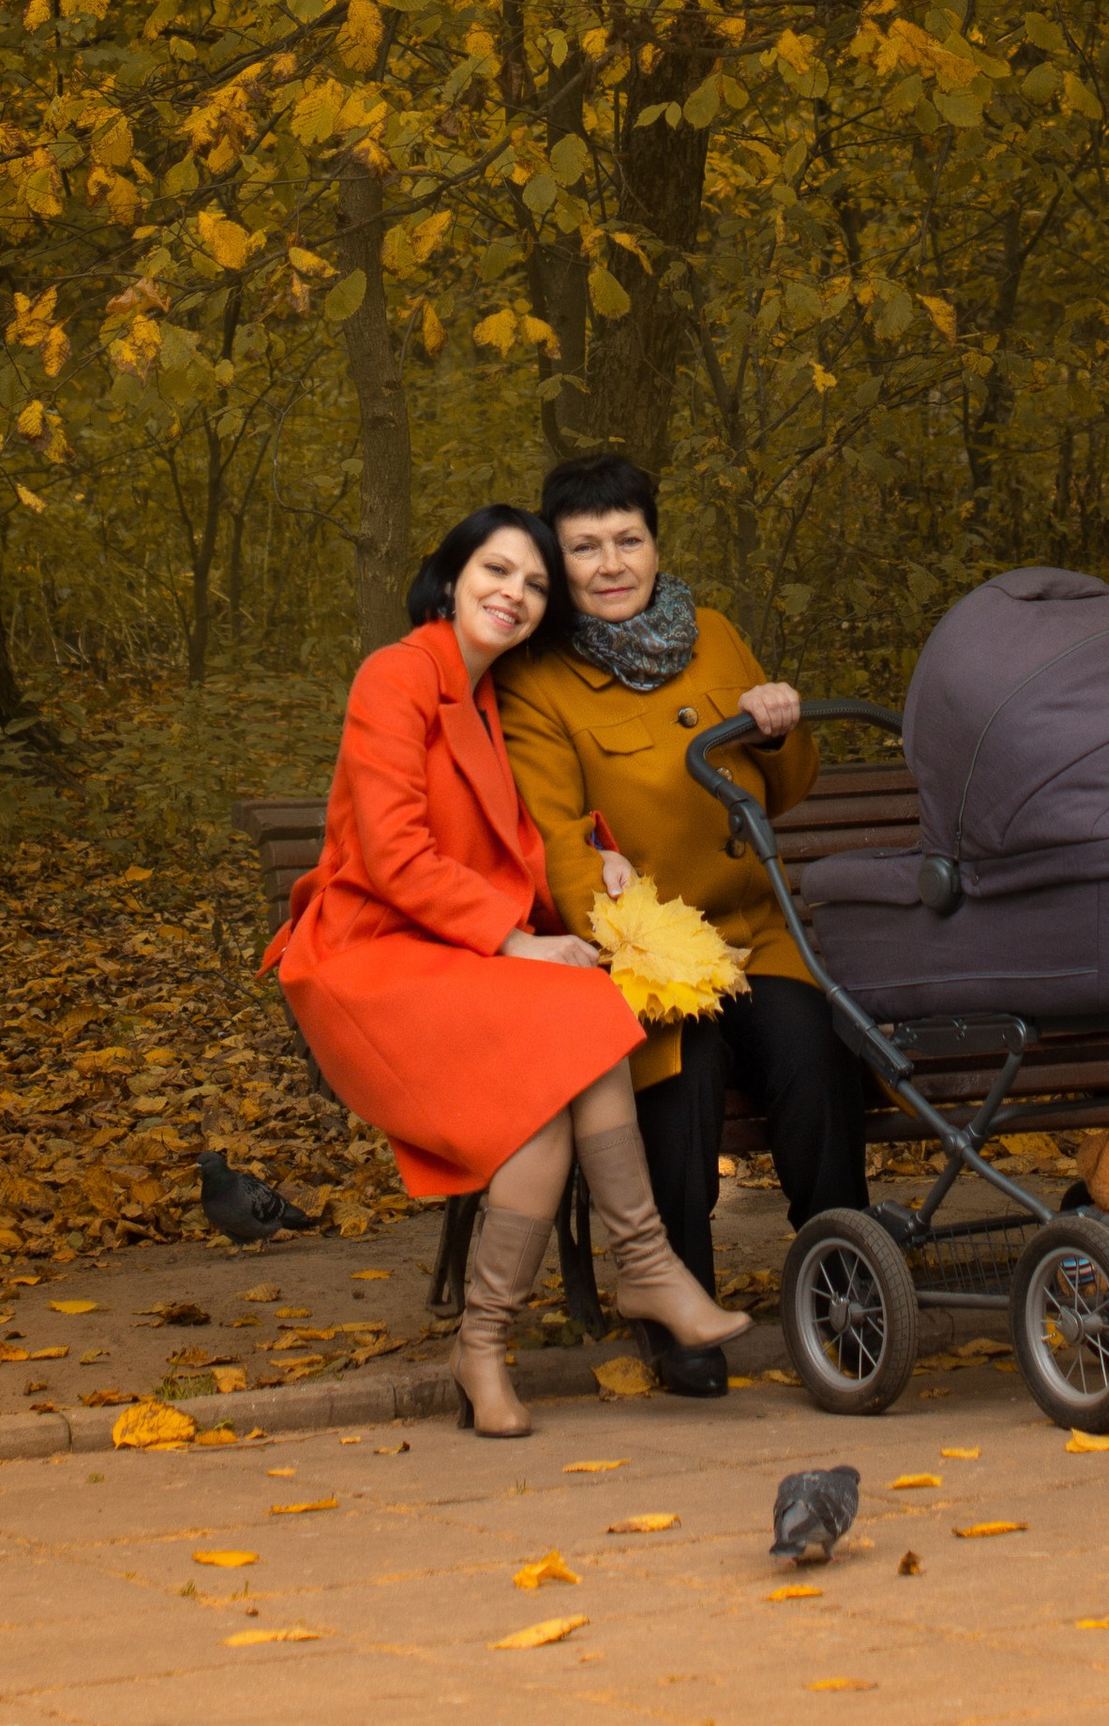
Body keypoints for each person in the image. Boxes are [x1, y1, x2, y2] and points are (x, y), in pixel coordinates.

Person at [265, 501, 747, 1437]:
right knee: (570, 1014)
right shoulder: (397, 678)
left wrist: (598, 855)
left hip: (448, 955)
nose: (515, 595)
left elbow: (515, 840)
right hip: (366, 957)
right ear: (451, 582)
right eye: (496, 573)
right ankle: (642, 1266)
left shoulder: (489, 696)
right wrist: (517, 939)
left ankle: (488, 1342)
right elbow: (397, 855)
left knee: (558, 1068)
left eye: (532, 584)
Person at [497, 451, 870, 1398]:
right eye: (585, 547)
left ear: (656, 544)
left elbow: (783, 791)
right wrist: (622, 931)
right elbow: (559, 843)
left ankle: (846, 1286)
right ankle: (677, 1306)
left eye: (629, 539)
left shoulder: (712, 634)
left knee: (814, 1057)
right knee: (681, 1080)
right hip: (647, 950)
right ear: (558, 558)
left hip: (756, 930)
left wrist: (781, 730)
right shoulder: (538, 682)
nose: (611, 563)